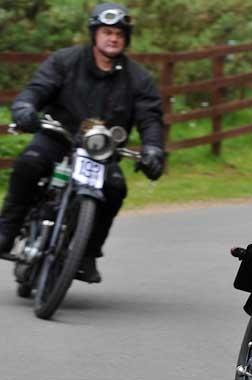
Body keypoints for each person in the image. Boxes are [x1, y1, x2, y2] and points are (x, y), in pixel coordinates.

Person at [0, 3, 165, 283]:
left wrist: (153, 149)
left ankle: (87, 254)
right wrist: (26, 107)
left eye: (119, 34)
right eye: (107, 32)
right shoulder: (65, 61)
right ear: (95, 34)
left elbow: (151, 118)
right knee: (29, 163)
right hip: (57, 137)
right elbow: (37, 88)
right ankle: (7, 230)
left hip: (101, 151)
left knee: (115, 189)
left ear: (126, 39)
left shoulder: (139, 78)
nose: (113, 38)